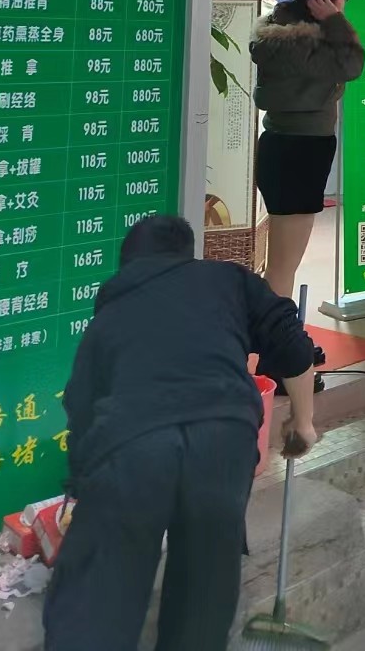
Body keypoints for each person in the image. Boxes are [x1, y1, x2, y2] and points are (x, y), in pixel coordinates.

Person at [43, 215, 318, 651]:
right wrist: (303, 422)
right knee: (203, 595)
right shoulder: (229, 281)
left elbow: (81, 405)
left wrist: (82, 488)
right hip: (223, 440)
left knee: (98, 602)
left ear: (130, 262)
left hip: (132, 447)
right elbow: (293, 344)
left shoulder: (112, 311)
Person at [250, 0, 365, 302]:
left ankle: (274, 326)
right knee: (284, 265)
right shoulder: (311, 44)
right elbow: (353, 64)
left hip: (277, 143)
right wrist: (335, 21)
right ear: (321, 1)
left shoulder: (274, 34)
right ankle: (275, 331)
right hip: (304, 149)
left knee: (280, 261)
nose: (344, 2)